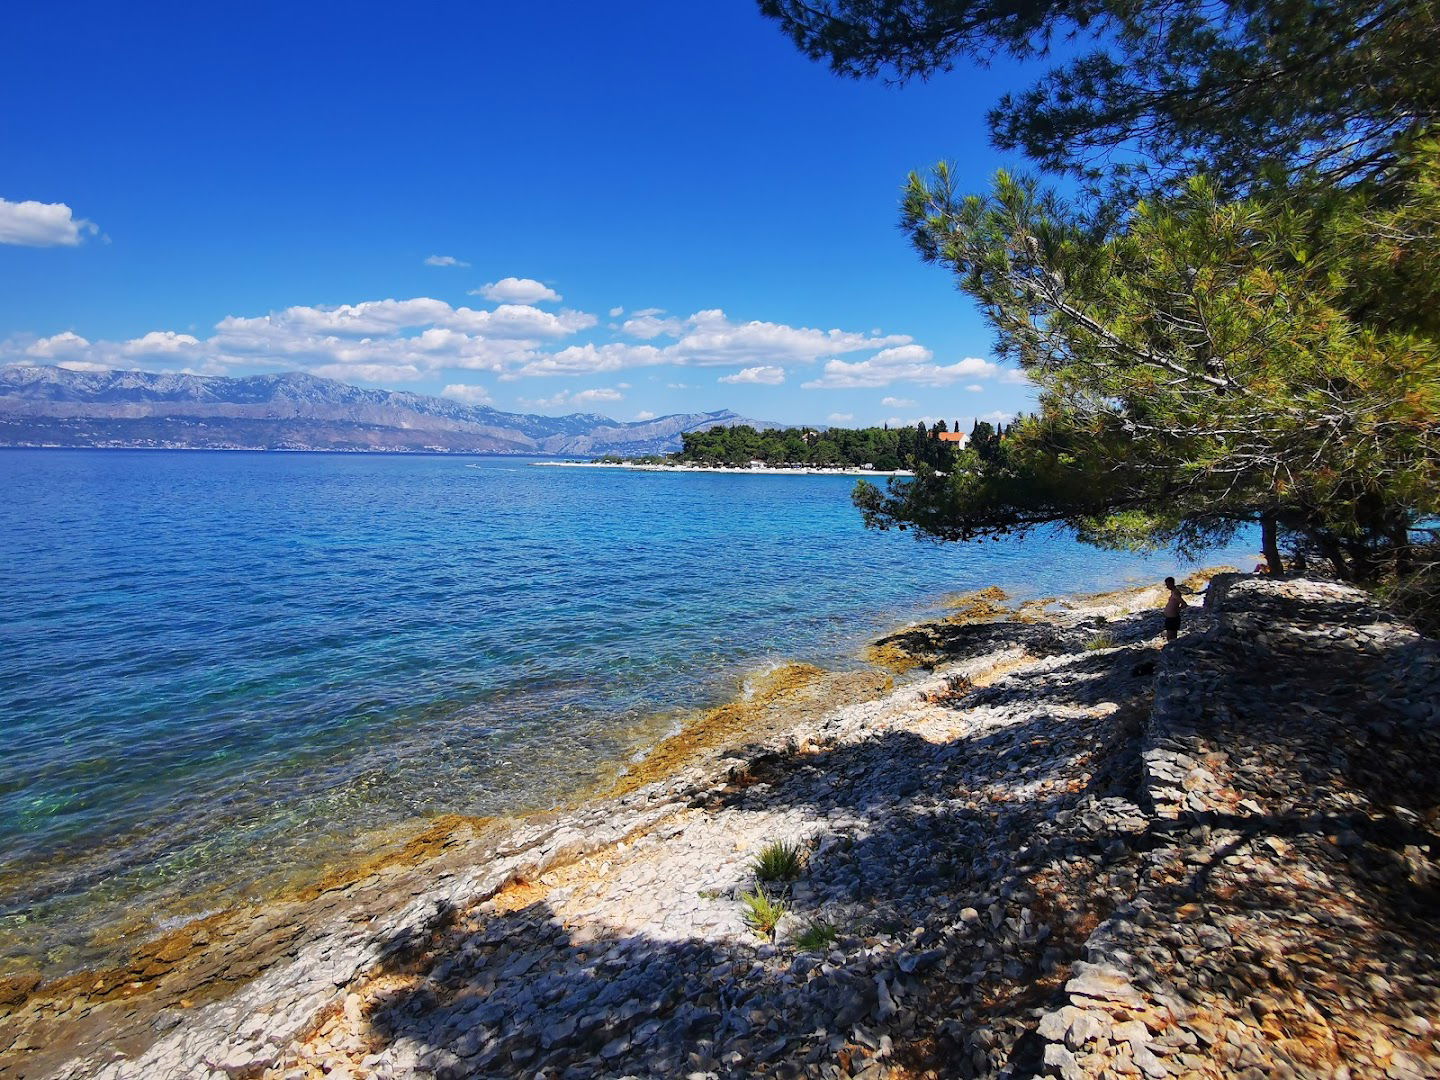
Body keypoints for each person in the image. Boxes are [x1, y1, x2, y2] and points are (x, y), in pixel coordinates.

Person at [1163, 576, 1187, 642]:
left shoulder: (1175, 592)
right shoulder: (1174, 591)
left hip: (1173, 618)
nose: (1167, 586)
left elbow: (1184, 604)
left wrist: (1178, 610)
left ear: (1171, 583)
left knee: (1171, 637)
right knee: (1170, 637)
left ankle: (1172, 649)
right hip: (1171, 617)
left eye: (1167, 584)